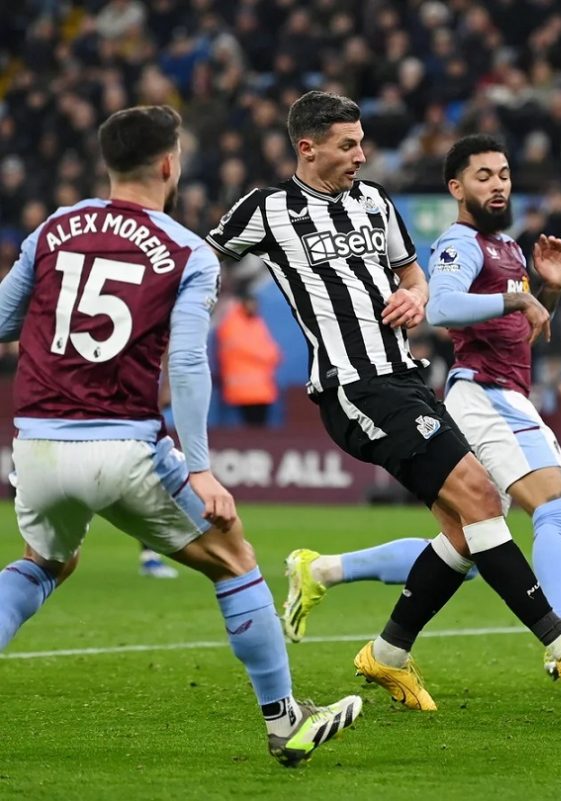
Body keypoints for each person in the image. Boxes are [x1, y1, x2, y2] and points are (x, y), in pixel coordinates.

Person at [206, 92, 561, 712]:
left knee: (463, 532)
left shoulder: (375, 201)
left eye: (362, 141)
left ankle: (387, 653)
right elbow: (196, 263)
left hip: (406, 378)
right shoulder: (267, 210)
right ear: (308, 147)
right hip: (354, 387)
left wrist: (413, 296)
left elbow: (414, 277)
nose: (361, 153)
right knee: (484, 499)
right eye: (348, 144)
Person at [0, 106, 360, 766]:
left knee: (43, 563)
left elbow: (1, 320)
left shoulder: (53, 228)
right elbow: (190, 362)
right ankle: (285, 721)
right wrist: (199, 468)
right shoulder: (187, 249)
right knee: (233, 557)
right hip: (123, 445)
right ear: (170, 164)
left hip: (36, 446)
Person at [215, 288, 281, 427]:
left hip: (261, 386)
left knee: (260, 425)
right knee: (248, 429)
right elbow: (246, 348)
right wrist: (268, 355)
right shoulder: (231, 323)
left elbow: (271, 348)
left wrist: (270, 354)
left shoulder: (257, 322)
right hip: (242, 386)